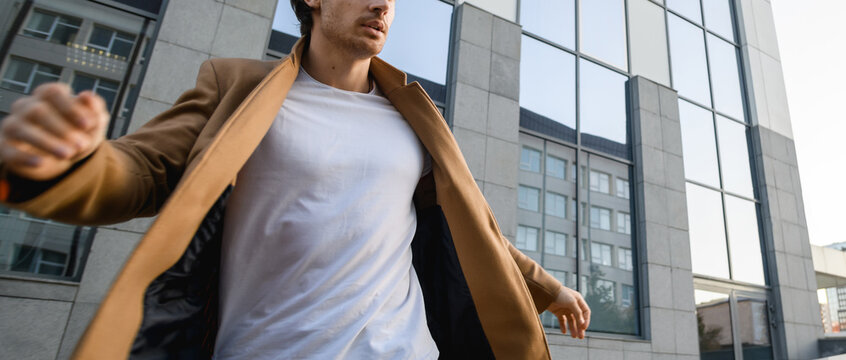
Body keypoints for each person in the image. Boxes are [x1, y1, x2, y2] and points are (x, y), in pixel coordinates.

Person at [0, 0, 591, 358]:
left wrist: (548, 288)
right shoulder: (238, 87)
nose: (382, 5)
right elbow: (142, 171)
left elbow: (473, 228)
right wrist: (66, 164)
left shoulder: (413, 114)